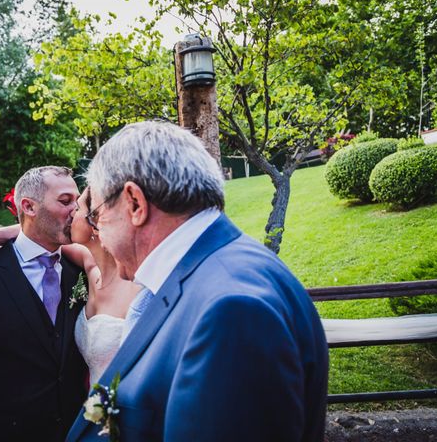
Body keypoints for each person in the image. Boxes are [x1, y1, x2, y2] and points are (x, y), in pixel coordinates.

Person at [66, 121, 329, 442]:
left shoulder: (232, 311)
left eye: (96, 216)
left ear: (134, 203)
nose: (100, 237)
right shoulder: (203, 276)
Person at [0, 166, 88, 442]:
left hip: (77, 431)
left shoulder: (80, 269)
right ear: (28, 207)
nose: (76, 211)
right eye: (66, 201)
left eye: (78, 203)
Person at [0, 186, 140, 385]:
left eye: (76, 208)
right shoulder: (90, 266)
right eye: (66, 203)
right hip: (90, 408)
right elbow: (40, 233)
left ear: (95, 222)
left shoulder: (136, 282)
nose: (70, 212)